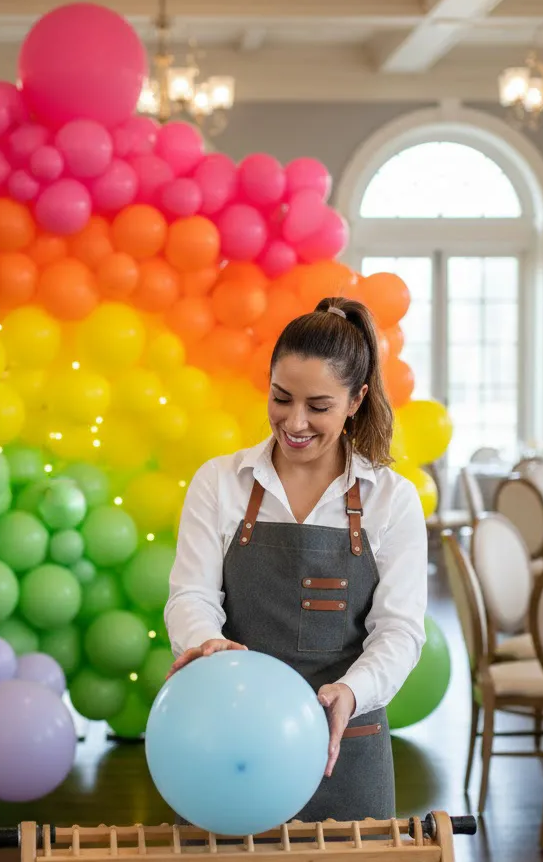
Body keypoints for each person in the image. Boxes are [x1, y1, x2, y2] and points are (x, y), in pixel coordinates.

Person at [164, 296, 427, 823]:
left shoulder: (390, 500)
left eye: (319, 406)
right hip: (229, 747)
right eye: (281, 398)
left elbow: (399, 631)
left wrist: (351, 692)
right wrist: (207, 645)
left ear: (357, 400)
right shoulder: (220, 483)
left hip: (345, 748)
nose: (295, 422)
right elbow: (190, 595)